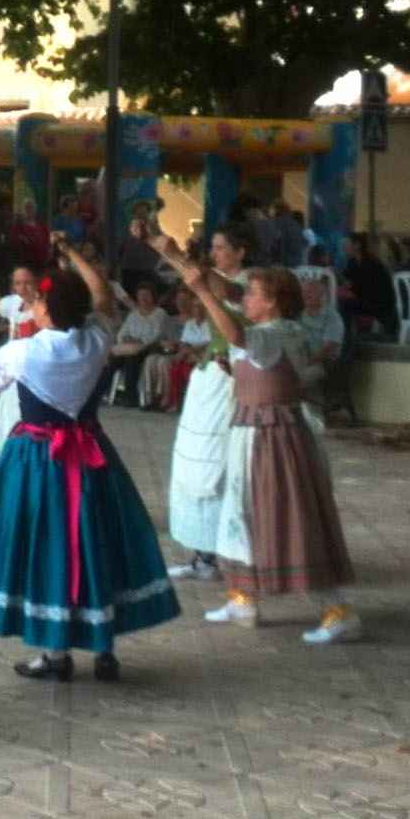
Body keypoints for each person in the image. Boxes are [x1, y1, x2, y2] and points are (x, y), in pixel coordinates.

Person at [0, 266, 181, 681]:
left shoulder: (24, 351)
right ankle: (104, 647)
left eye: (36, 299)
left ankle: (56, 653)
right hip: (91, 456)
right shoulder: (95, 339)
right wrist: (75, 256)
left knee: (48, 545)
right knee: (96, 542)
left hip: (38, 460)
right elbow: (103, 299)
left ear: (48, 308)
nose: (30, 304)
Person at [159, 255, 360, 644]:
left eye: (254, 293)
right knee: (241, 514)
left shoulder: (280, 333)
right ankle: (243, 597)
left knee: (286, 519)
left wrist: (201, 289)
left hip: (274, 438)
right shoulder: (273, 331)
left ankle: (337, 609)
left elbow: (238, 336)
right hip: (251, 433)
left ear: (274, 302)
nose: (247, 298)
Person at [162, 225, 254, 581]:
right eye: (213, 248)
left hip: (230, 376)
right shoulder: (215, 278)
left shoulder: (249, 281)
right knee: (194, 458)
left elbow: (221, 288)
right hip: (208, 377)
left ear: (240, 251)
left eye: (220, 247)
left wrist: (177, 255)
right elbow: (201, 278)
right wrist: (163, 245)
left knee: (221, 462)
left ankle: (225, 551)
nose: (215, 253)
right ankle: (203, 552)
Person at [107, 280, 170, 407]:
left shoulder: (160, 314)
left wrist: (137, 341)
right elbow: (122, 333)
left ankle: (132, 397)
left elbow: (156, 335)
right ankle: (105, 393)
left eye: (147, 296)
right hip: (130, 348)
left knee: (132, 361)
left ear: (153, 297)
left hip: (150, 347)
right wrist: (128, 340)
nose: (144, 299)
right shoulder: (133, 315)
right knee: (111, 362)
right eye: (141, 296)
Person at [159, 288, 210, 414]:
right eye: (195, 307)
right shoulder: (190, 324)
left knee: (187, 371)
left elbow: (208, 343)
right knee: (175, 370)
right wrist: (183, 352)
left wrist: (190, 351)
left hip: (202, 355)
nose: (197, 309)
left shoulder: (209, 324)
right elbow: (183, 341)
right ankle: (176, 403)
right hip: (189, 355)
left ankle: (195, 403)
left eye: (199, 307)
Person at [297, 276, 344, 396]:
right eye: (303, 292)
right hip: (301, 360)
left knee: (298, 381)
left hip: (324, 363)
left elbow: (329, 348)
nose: (305, 295)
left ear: (321, 294)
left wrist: (307, 362)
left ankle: (302, 412)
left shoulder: (332, 316)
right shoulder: (298, 315)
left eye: (310, 291)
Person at [341, 232, 397, 334]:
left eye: (347, 245)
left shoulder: (371, 263)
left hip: (379, 303)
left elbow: (365, 288)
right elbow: (346, 279)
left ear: (357, 245)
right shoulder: (352, 262)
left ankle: (347, 336)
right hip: (365, 299)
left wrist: (348, 285)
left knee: (343, 304)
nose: (344, 248)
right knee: (341, 301)